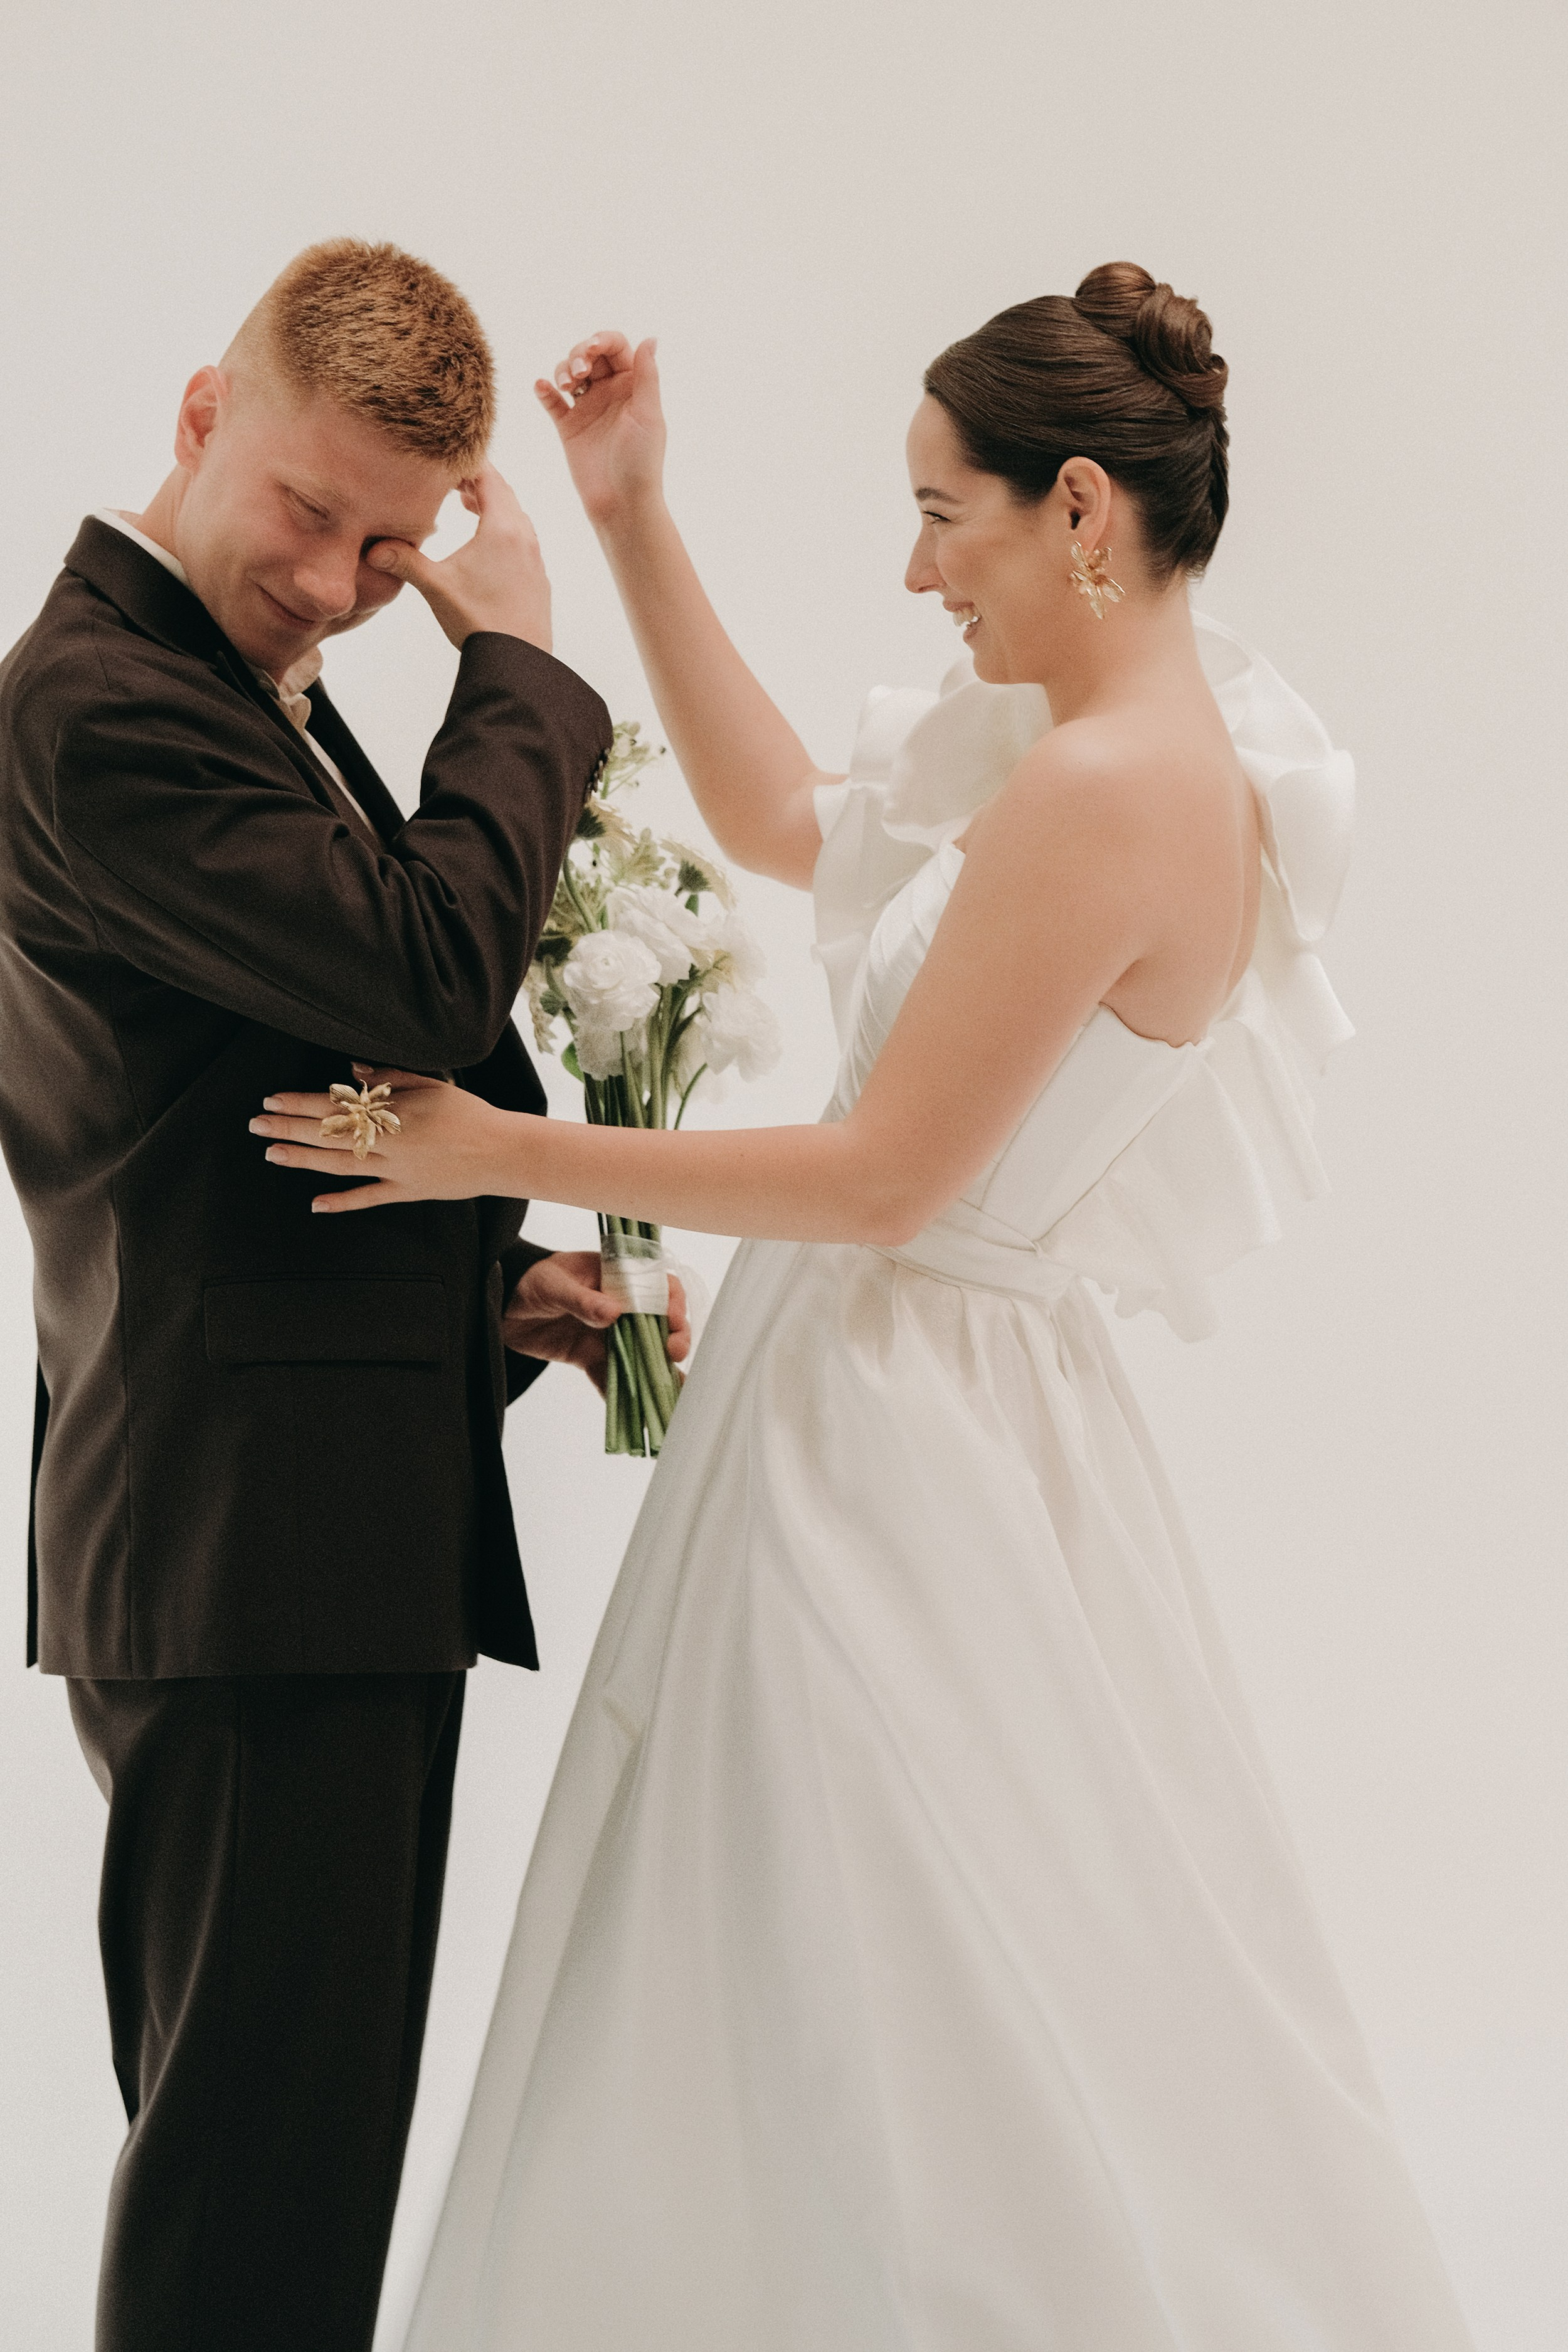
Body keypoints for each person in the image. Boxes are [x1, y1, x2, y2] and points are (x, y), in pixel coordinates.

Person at [258, 265, 1475, 2348]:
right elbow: (783, 827)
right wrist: (630, 512)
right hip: (920, 1403)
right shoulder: (1121, 738)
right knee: (845, 1961)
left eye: (946, 517)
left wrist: (491, 1151)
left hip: (902, 1441)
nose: (918, 573)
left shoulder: (1112, 789)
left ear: (1078, 508)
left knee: (874, 1972)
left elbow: (880, 1176)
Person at [0, 236, 687, 2352]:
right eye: (312, 513)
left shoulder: (229, 697)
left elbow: (240, 1102)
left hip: (297, 1529)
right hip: (240, 1553)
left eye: (398, 553)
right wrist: (521, 663)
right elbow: (421, 974)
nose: (335, 584)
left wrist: (485, 1292)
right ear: (202, 413)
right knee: (249, 2206)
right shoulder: (99, 708)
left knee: (281, 2185)